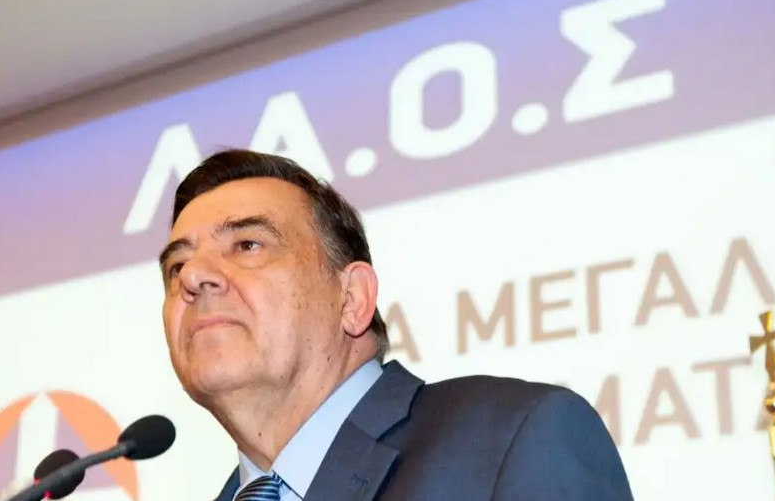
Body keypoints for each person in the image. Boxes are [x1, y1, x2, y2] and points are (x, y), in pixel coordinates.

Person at [158, 148, 634, 501]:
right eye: (177, 267)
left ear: (352, 298)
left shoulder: (514, 440)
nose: (193, 277)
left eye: (247, 245)